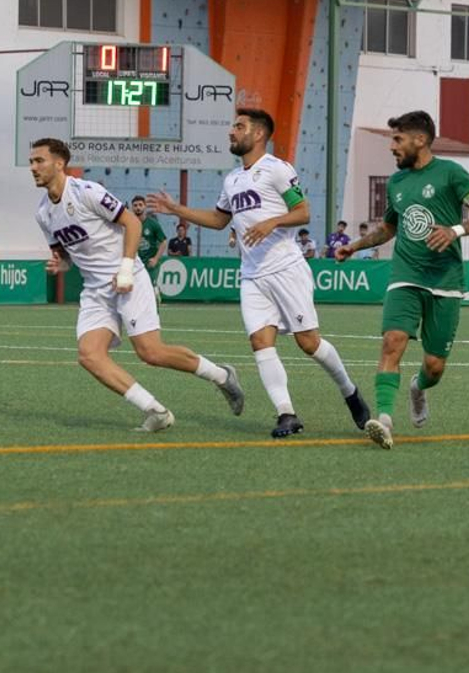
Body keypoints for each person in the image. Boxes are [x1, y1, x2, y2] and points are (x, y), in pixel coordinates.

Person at [149, 108, 366, 439]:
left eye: (239, 126)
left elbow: (303, 211)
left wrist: (272, 221)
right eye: (233, 126)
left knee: (308, 343)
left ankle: (350, 392)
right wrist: (178, 209)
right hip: (252, 275)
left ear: (259, 134)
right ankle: (286, 414)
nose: (231, 132)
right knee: (260, 342)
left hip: (286, 268)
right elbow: (220, 220)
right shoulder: (232, 179)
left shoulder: (277, 170)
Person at [32, 139, 244, 431]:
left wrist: (126, 269)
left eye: (39, 161)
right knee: (89, 355)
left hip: (128, 277)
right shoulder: (43, 213)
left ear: (59, 164)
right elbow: (68, 257)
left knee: (151, 352)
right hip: (96, 290)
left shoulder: (87, 191)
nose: (33, 167)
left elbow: (133, 223)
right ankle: (156, 411)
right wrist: (61, 265)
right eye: (32, 162)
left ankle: (221, 376)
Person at [337, 110, 469, 448]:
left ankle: (418, 387)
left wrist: (454, 230)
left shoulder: (452, 174)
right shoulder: (396, 182)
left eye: (398, 139)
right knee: (392, 341)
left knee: (435, 366)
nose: (392, 146)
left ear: (420, 140)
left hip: (446, 279)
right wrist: (354, 246)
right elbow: (389, 229)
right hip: (405, 275)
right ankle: (384, 419)